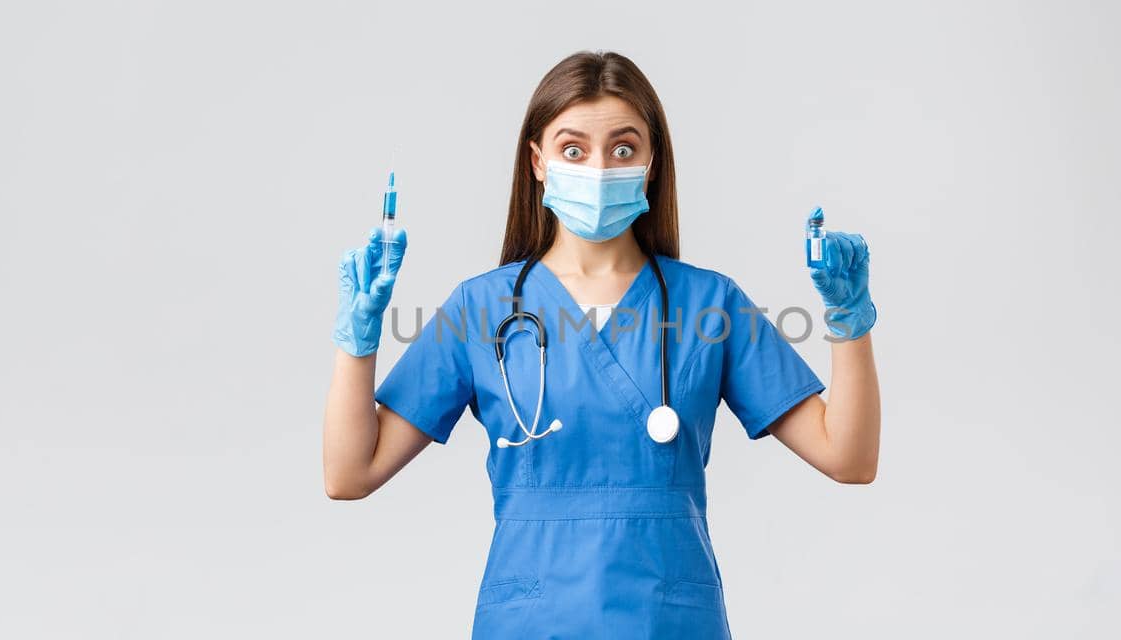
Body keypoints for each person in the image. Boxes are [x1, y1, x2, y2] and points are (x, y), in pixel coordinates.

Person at [323, 50, 881, 639]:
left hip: (668, 620)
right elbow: (350, 474)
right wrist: (357, 340)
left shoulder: (710, 305)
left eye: (623, 148)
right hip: (531, 620)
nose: (598, 168)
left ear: (651, 161)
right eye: (572, 149)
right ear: (537, 162)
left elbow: (848, 458)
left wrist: (850, 321)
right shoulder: (481, 309)